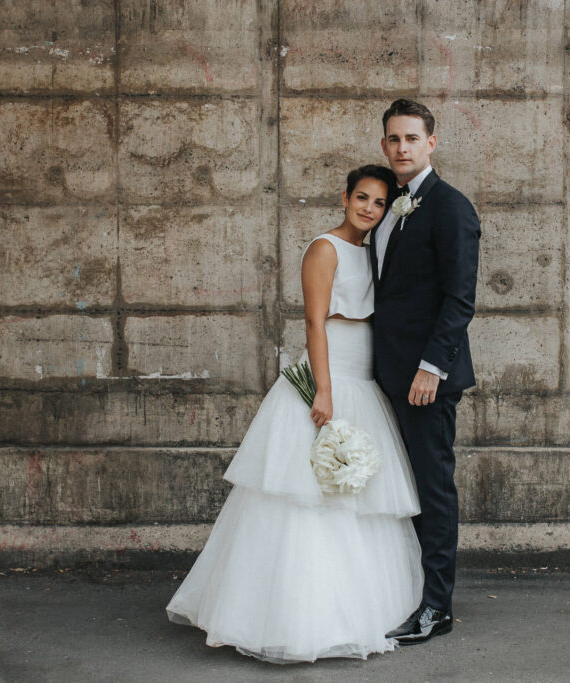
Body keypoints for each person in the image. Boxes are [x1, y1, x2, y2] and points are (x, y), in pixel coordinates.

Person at [166, 165, 423, 663]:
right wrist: (323, 391)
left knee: (355, 496)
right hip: (331, 378)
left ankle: (358, 611)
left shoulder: (374, 249)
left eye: (379, 202)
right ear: (344, 197)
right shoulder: (324, 248)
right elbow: (314, 321)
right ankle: (293, 619)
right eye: (362, 198)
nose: (369, 209)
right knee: (309, 497)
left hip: (363, 381)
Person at [371, 99, 481, 644]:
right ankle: (407, 592)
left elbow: (460, 299)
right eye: (393, 139)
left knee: (432, 490)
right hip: (385, 374)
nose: (402, 148)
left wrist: (430, 368)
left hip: (425, 381)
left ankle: (437, 607)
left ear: (431, 143)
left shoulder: (450, 207)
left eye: (412, 138)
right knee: (401, 488)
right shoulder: (388, 205)